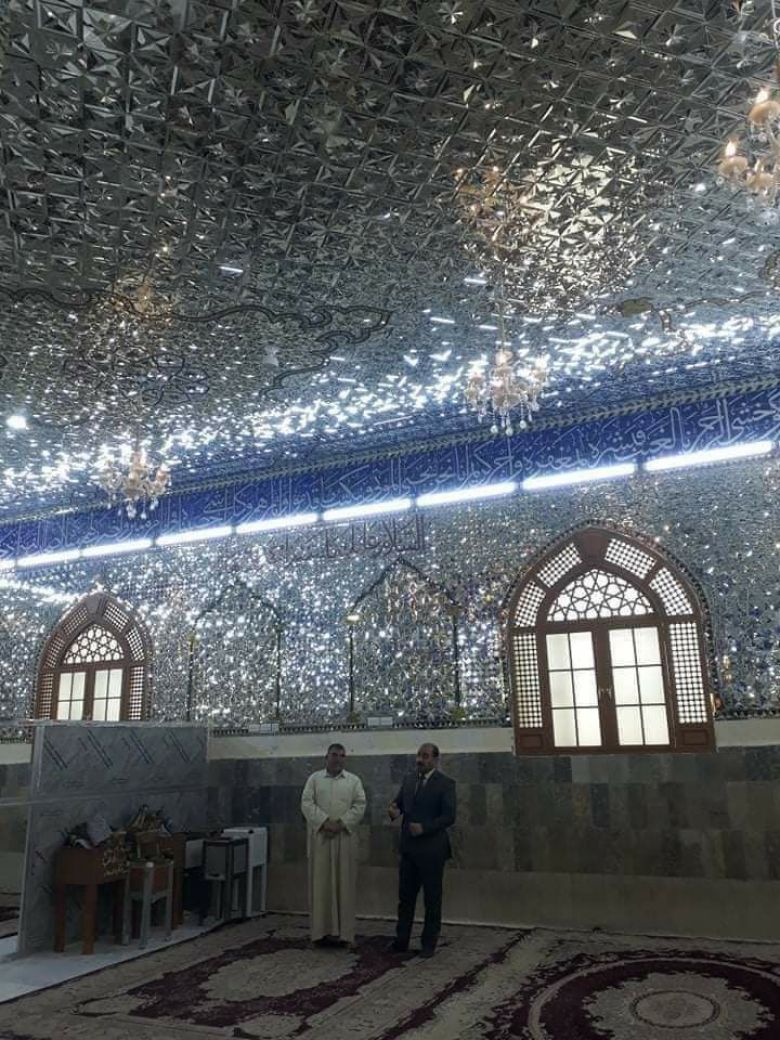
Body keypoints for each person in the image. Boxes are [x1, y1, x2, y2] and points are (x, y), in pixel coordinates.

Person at [387, 742, 456, 958]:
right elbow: (398, 804)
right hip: (409, 848)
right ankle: (401, 940)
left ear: (435, 759)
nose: (420, 760)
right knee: (405, 898)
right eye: (419, 755)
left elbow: (449, 816)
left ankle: (428, 943)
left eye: (425, 756)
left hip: (432, 850)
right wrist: (394, 811)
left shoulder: (445, 783)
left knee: (432, 899)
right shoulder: (409, 780)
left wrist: (425, 828)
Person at [301, 742, 366, 947]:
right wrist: (324, 822)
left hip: (344, 839)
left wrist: (341, 823)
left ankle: (345, 935)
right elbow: (306, 803)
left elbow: (360, 805)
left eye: (341, 755)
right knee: (320, 886)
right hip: (321, 839)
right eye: (334, 755)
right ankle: (319, 933)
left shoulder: (353, 781)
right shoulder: (314, 779)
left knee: (344, 886)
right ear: (326, 757)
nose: (337, 759)